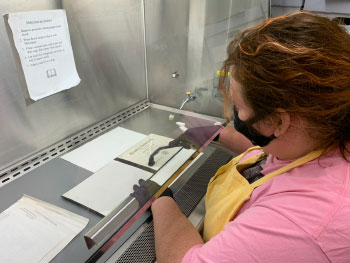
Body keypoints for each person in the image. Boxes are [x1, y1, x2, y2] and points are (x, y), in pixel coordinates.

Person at [151, 11, 350, 263]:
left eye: (238, 105)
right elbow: (271, 152)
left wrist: (161, 200)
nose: (236, 114)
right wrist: (216, 132)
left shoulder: (298, 224)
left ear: (278, 121)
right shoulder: (322, 128)